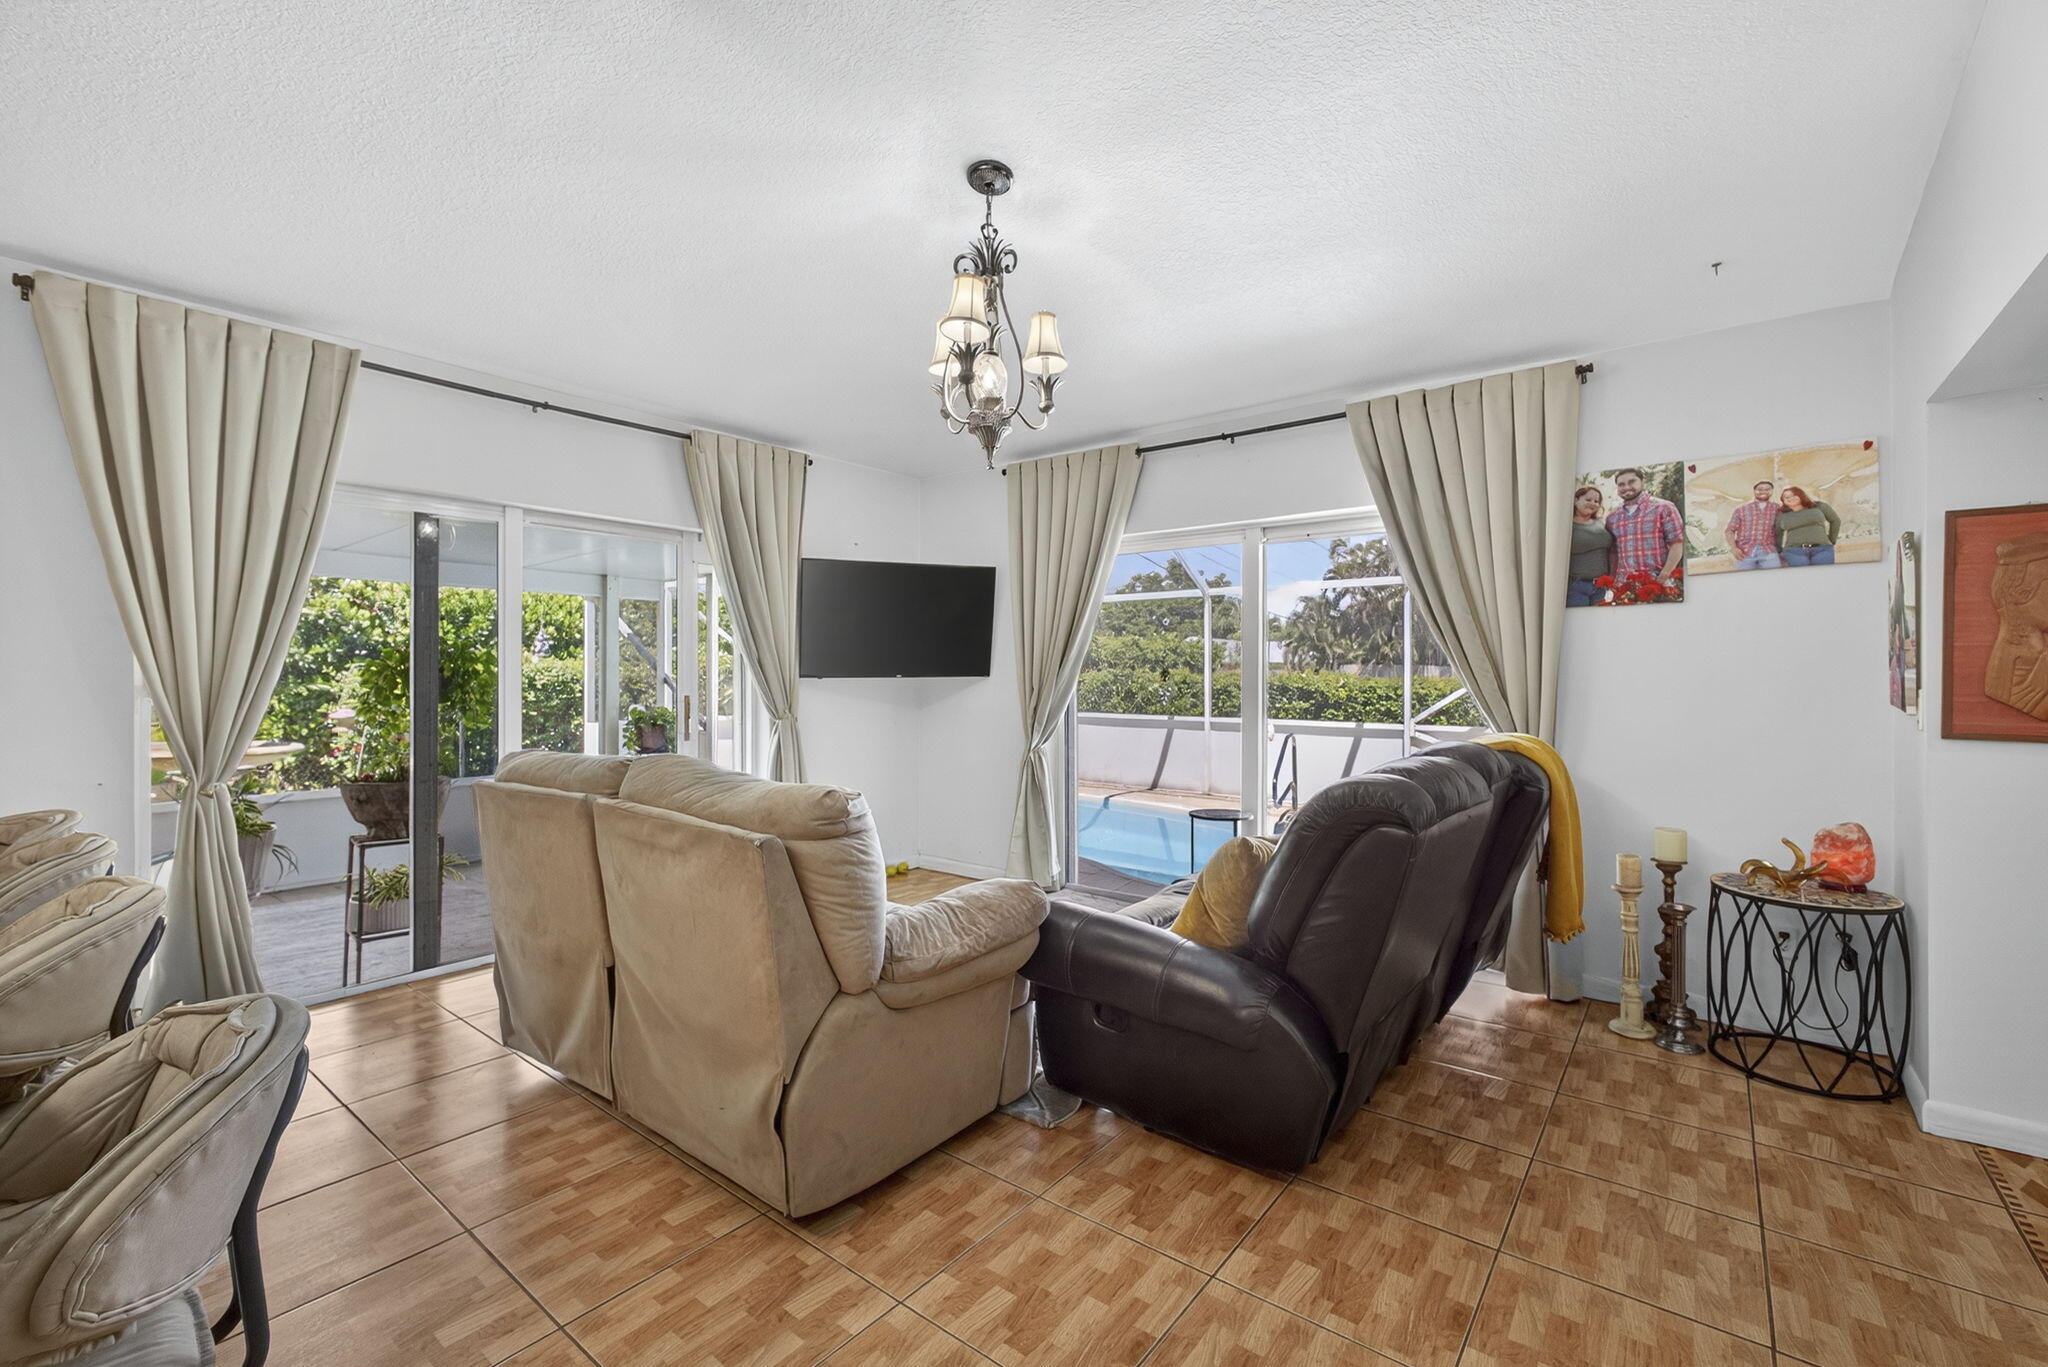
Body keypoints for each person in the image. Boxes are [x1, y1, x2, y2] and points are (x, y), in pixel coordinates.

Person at [1604, 467, 1684, 585]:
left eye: (1631, 482)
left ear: (1643, 481)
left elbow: (1677, 544)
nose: (1626, 487)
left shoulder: (1664, 508)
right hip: (1625, 585)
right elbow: (1613, 553)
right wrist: (1613, 581)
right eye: (1621, 484)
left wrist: (1665, 574)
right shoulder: (1612, 518)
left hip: (1657, 583)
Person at [1567, 485, 1614, 606]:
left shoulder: (1600, 523)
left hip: (1600, 586)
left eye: (1596, 501)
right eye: (1588, 499)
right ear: (1576, 500)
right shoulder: (1567, 525)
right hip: (1577, 586)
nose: (1592, 503)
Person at [1777, 485, 1841, 566]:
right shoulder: (1782, 515)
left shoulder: (1819, 506)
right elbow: (1777, 533)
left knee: (1823, 573)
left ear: (1801, 495)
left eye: (1794, 495)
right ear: (1783, 500)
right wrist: (1779, 550)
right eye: (1786, 497)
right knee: (1802, 574)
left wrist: (1832, 540)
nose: (1790, 498)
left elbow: (1835, 521)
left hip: (1822, 549)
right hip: (1794, 552)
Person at [1726, 480, 1782, 570]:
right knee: (1744, 578)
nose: (1763, 491)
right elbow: (1730, 530)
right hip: (1745, 551)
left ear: (1771, 491)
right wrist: (1734, 548)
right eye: (1760, 489)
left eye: (1767, 489)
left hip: (1769, 551)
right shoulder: (1741, 510)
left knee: (1776, 575)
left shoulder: (1777, 508)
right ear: (1754, 491)